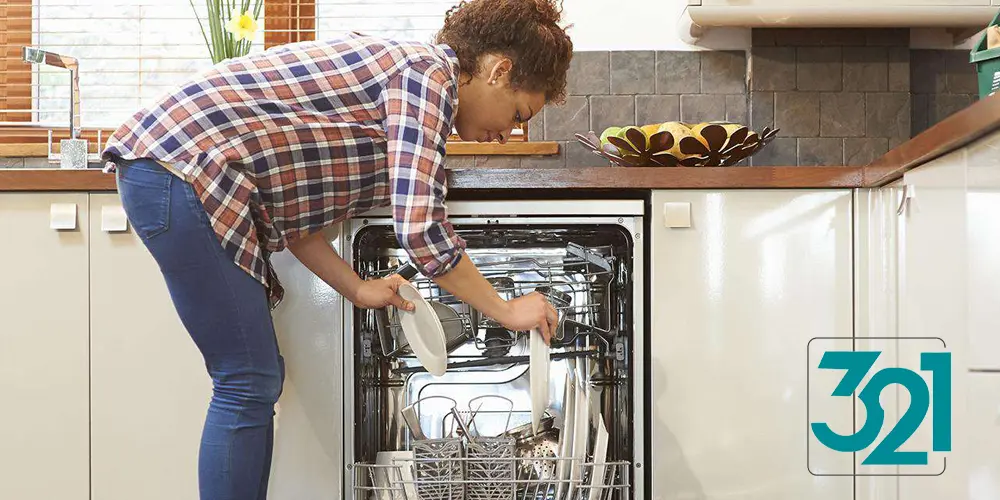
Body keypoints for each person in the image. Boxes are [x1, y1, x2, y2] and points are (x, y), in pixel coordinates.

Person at [99, 0, 573, 498]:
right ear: (500, 71)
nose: (507, 136)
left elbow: (297, 212)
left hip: (176, 171)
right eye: (518, 114)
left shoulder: (408, 85)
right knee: (247, 380)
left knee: (252, 380)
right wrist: (505, 310)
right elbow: (421, 232)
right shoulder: (427, 76)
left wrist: (357, 288)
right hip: (180, 168)